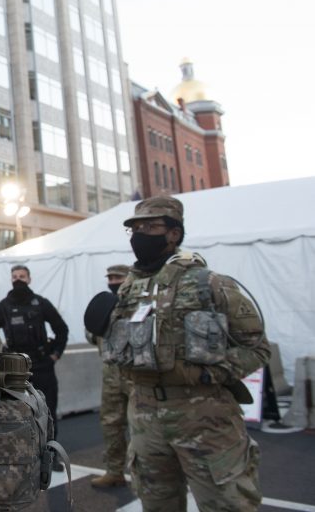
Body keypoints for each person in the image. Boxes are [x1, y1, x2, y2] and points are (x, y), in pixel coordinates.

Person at [106, 196, 269, 511]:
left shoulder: (208, 283)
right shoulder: (128, 288)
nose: (140, 235)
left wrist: (209, 373)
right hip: (144, 418)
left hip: (204, 418)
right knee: (157, 504)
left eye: (151, 227)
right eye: (135, 229)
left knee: (227, 504)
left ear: (173, 234)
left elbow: (256, 347)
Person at [0, 264, 69, 441]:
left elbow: (62, 329)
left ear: (29, 279)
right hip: (14, 370)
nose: (18, 280)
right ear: (11, 280)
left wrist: (54, 355)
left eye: (22, 277)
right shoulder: (2, 307)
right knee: (14, 411)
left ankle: (50, 453)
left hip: (42, 366)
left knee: (47, 410)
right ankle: (22, 456)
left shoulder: (40, 303)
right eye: (15, 277)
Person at [85, 264, 131, 488]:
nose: (113, 281)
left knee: (143, 427)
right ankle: (115, 471)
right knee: (111, 424)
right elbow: (91, 334)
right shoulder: (105, 304)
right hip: (111, 375)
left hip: (137, 376)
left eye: (118, 277)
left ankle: (145, 475)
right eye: (110, 277)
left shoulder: (139, 302)